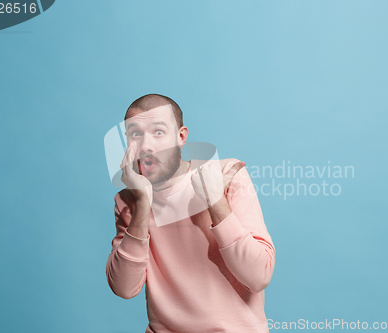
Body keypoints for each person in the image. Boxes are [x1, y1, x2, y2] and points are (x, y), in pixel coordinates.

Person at [106, 94, 276, 333]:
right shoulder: (127, 200)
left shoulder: (225, 174)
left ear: (181, 137)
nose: (146, 146)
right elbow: (124, 288)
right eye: (135, 134)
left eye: (158, 132)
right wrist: (143, 202)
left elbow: (259, 276)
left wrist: (216, 203)